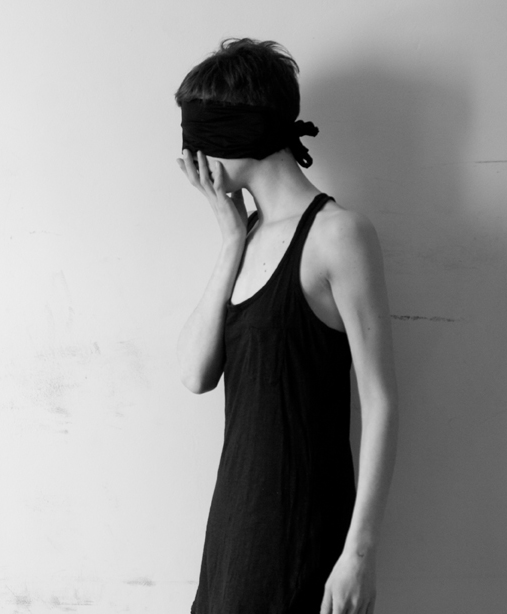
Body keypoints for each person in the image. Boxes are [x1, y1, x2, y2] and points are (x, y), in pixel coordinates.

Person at [175, 38, 398, 614]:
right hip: (234, 527)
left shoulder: (339, 235)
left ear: (236, 132)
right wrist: (229, 240)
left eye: (199, 137)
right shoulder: (247, 236)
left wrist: (358, 554)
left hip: (299, 530)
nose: (192, 160)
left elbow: (380, 401)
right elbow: (195, 375)